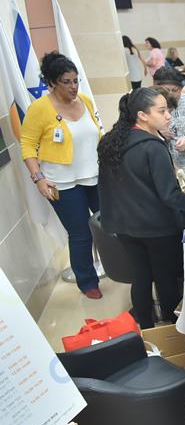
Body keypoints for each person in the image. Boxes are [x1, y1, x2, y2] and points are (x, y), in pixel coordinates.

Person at [98, 88, 185, 329]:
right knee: (166, 280)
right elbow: (171, 196)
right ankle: (173, 330)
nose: (169, 115)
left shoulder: (111, 141)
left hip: (125, 225)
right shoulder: (152, 147)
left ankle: (146, 330)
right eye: (161, 111)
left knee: (140, 277)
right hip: (156, 227)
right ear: (142, 115)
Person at [20, 52, 103, 299]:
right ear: (52, 82)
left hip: (94, 176)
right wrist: (38, 178)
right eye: (67, 82)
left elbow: (97, 134)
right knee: (81, 234)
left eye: (76, 80)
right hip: (62, 183)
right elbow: (27, 145)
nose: (73, 86)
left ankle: (119, 267)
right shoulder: (39, 109)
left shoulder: (85, 101)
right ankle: (88, 282)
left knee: (109, 225)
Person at [153, 66, 185, 170]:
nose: (171, 94)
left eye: (175, 90)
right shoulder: (151, 107)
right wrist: (157, 133)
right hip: (166, 164)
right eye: (166, 90)